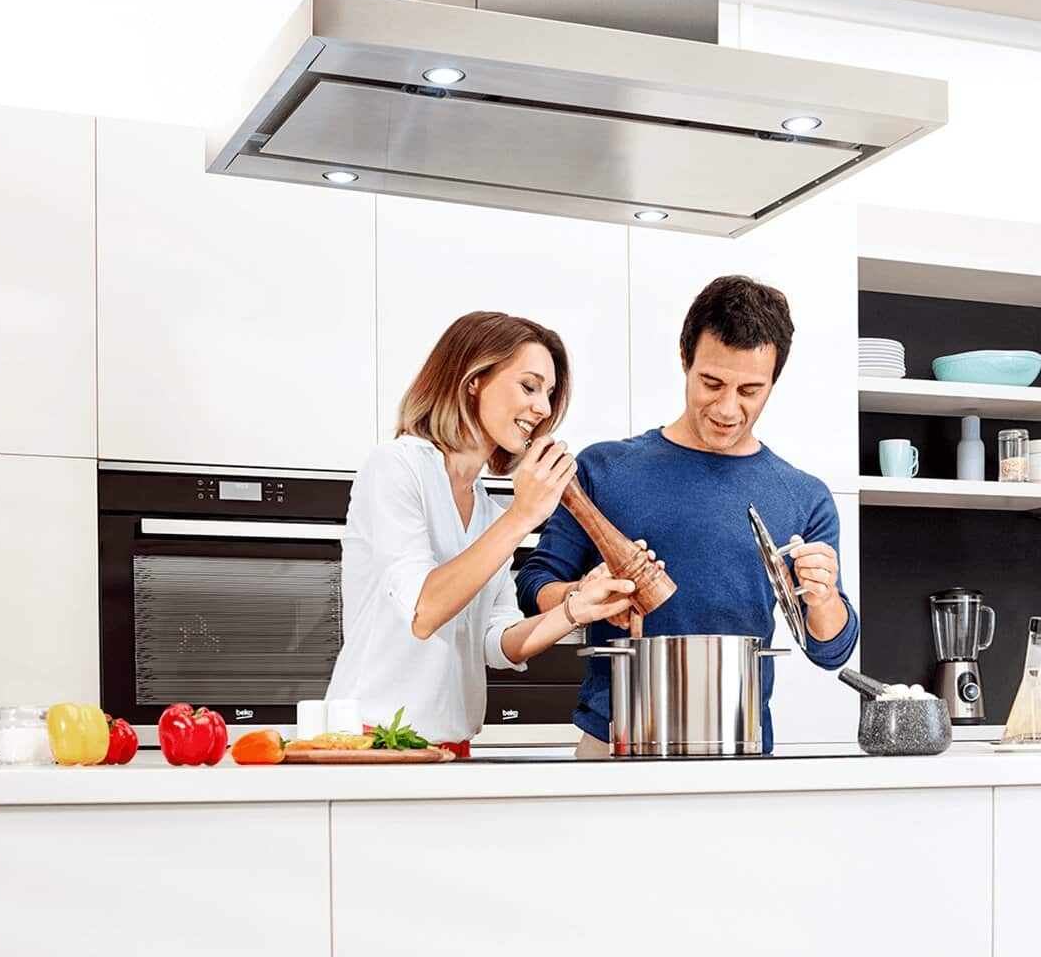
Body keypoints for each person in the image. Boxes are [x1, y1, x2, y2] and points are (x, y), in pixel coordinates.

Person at [516, 275, 859, 756]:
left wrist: (822, 598)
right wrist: (583, 596)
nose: (727, 407)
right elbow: (534, 588)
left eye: (750, 390)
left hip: (741, 746)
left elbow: (829, 650)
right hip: (613, 743)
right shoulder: (604, 470)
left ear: (774, 381)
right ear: (685, 358)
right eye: (712, 382)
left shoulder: (803, 496)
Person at [325, 311, 655, 755]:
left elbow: (499, 643)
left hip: (452, 749)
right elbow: (424, 611)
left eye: (549, 393)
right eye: (529, 386)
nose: (543, 408)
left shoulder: (485, 509)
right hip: (369, 746)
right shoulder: (395, 468)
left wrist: (578, 608)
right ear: (473, 378)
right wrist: (521, 516)